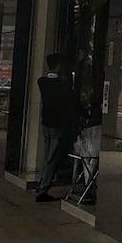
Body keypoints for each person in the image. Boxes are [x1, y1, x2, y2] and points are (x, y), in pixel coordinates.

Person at [35, 53, 82, 202]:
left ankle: (41, 184)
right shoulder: (63, 86)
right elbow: (74, 103)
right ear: (59, 66)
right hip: (58, 125)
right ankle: (42, 190)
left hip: (46, 124)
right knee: (53, 158)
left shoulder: (42, 82)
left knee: (49, 155)